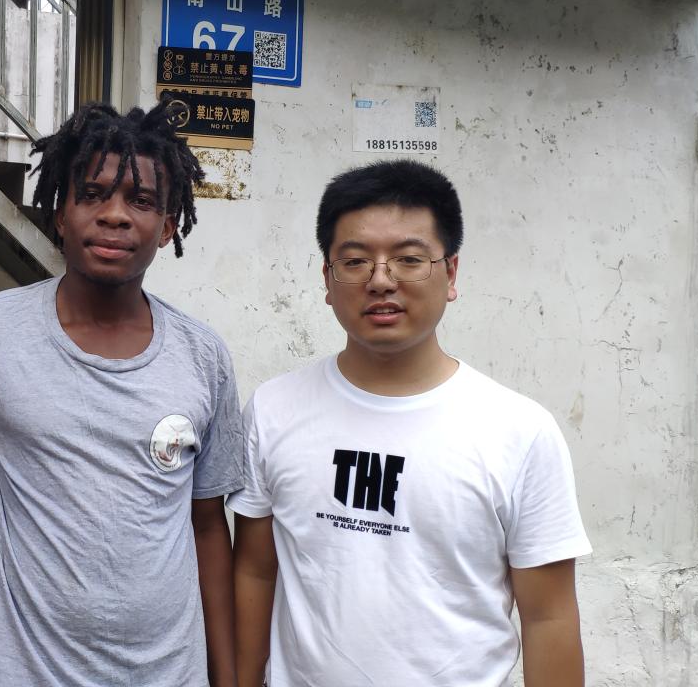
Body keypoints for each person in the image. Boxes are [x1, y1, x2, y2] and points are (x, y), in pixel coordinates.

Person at [0, 102, 245, 686]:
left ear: (169, 224)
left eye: (142, 200)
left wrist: (226, 680)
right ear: (60, 213)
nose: (115, 215)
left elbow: (208, 527)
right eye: (92, 194)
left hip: (168, 672)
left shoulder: (202, 357)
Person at [230, 160, 592, 687]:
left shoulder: (520, 432)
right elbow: (254, 572)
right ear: (327, 279)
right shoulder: (273, 409)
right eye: (355, 260)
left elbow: (549, 617)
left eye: (409, 259)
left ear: (451, 274)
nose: (381, 280)